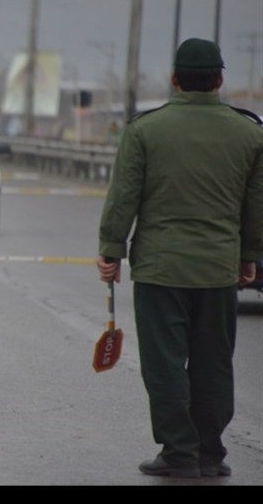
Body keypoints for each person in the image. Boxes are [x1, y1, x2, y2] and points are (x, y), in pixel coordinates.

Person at [96, 38, 263, 479]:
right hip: (218, 268)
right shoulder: (249, 131)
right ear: (220, 79)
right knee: (213, 360)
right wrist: (250, 256)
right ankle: (210, 453)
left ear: (174, 79)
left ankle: (179, 452)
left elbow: (123, 197)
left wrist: (111, 251)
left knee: (165, 361)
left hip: (160, 268)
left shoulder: (146, 130)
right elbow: (256, 204)